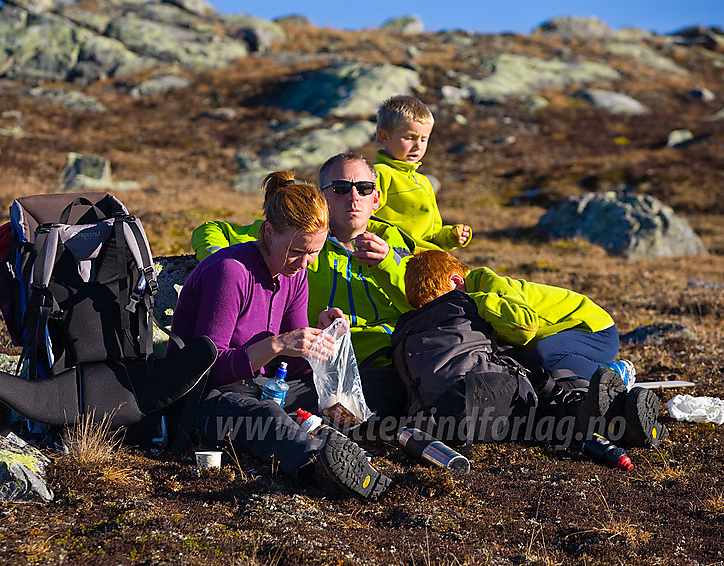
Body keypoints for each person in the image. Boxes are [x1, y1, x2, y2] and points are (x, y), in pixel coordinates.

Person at [168, 171, 391, 500]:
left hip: (262, 386)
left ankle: (380, 441)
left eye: (313, 252)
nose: (304, 263)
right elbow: (207, 367)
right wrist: (278, 344)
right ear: (269, 232)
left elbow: (296, 369)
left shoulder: (295, 277)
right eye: (296, 251)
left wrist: (321, 336)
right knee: (266, 416)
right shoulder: (231, 271)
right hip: (203, 400)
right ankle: (320, 466)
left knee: (376, 384)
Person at [191, 153, 415, 419]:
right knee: (268, 413)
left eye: (364, 188)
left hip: (369, 363)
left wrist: (388, 264)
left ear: (376, 198)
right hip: (240, 383)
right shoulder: (275, 245)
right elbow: (204, 368)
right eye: (341, 188)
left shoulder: (395, 245)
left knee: (383, 390)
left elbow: (424, 302)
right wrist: (222, 263)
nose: (354, 197)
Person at [399, 250, 667, 448]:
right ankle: (593, 391)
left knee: (541, 355)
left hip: (593, 330)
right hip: (560, 339)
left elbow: (525, 326)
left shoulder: (490, 285)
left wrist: (476, 301)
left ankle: (615, 374)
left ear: (457, 281)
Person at [373, 95, 472, 251]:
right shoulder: (379, 174)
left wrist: (451, 236)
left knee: (483, 276)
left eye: (424, 139)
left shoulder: (423, 182)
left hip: (429, 256)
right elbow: (362, 222)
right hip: (400, 258)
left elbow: (433, 234)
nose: (418, 146)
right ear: (384, 136)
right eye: (410, 138)